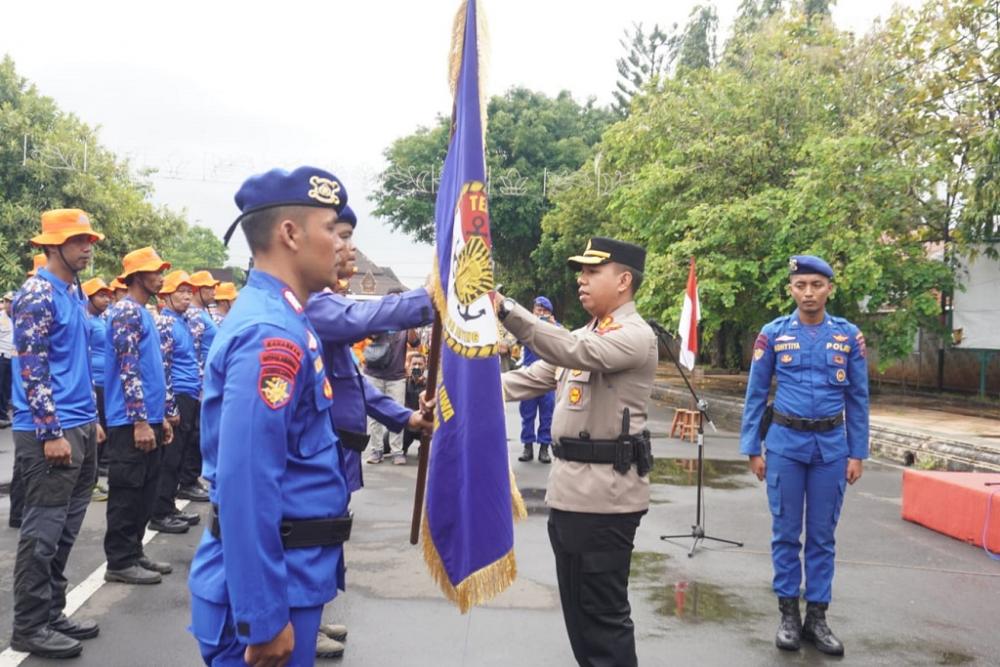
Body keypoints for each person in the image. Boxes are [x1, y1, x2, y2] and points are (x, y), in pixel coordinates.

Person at [188, 165, 353, 667]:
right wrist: (262, 616)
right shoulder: (271, 333)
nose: (342, 244)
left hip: (292, 571)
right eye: (331, 228)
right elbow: (246, 480)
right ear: (289, 234)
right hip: (274, 583)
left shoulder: (285, 316)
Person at [498, 237, 657, 667]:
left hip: (606, 501)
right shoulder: (585, 334)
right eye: (581, 273)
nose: (581, 281)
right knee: (579, 619)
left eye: (592, 272)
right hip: (569, 495)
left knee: (603, 620)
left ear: (624, 280)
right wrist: (461, 398)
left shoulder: (634, 337)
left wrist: (505, 309)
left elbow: (571, 352)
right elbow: (530, 377)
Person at [739, 255, 869, 657]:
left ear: (830, 287)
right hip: (784, 447)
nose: (809, 293)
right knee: (784, 533)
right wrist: (752, 448)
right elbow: (756, 394)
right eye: (801, 285)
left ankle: (817, 616)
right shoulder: (774, 334)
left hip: (831, 448)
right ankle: (788, 615)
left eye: (816, 285)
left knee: (821, 536)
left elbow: (858, 398)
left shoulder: (848, 337)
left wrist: (857, 453)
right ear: (791, 289)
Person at [9, 209, 105, 659]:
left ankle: (51, 612)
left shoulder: (73, 289)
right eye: (78, 240)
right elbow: (33, 366)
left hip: (81, 423)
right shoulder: (36, 293)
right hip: (51, 429)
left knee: (66, 530)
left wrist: (91, 418)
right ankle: (28, 626)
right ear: (52, 246)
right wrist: (51, 430)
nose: (87, 247)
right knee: (43, 531)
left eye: (89, 240)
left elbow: (76, 360)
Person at [103, 247, 175, 585]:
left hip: (151, 418)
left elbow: (155, 369)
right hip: (130, 422)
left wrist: (162, 418)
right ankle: (119, 560)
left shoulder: (144, 312)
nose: (161, 276)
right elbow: (127, 369)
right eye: (154, 271)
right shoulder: (125, 312)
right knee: (127, 491)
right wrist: (141, 421)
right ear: (137, 276)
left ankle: (134, 552)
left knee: (146, 490)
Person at [149, 270, 203, 534]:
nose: (186, 296)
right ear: (166, 296)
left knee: (180, 455)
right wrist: (169, 407)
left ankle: (169, 506)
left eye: (188, 291)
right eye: (180, 291)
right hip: (178, 396)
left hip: (190, 395)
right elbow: (163, 368)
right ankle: (159, 512)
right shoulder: (166, 324)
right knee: (170, 458)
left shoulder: (183, 321)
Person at [361, 287, 421, 465]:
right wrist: (382, 318)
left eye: (398, 300)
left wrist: (409, 322)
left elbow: (415, 342)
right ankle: (376, 450)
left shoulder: (404, 323)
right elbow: (370, 335)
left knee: (398, 414)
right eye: (391, 300)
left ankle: (397, 451)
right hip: (374, 373)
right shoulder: (379, 318)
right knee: (374, 416)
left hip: (396, 376)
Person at [178, 270, 219, 503]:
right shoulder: (194, 315)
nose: (214, 292)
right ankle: (187, 480)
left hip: (204, 381)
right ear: (200, 290)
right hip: (198, 382)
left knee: (196, 432)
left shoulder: (201, 313)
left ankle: (190, 478)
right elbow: (192, 350)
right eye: (209, 288)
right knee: (192, 434)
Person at [515, 296, 559, 464]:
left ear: (550, 313)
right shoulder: (527, 327)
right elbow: (516, 337)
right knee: (527, 414)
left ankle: (544, 448)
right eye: (537, 310)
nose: (540, 313)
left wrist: (552, 325)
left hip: (548, 379)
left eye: (544, 311)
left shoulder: (556, 327)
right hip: (529, 377)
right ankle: (527, 447)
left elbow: (565, 341)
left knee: (547, 415)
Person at [82, 278, 113, 477]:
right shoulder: (86, 321)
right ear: (88, 298)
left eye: (107, 296)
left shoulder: (101, 320)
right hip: (96, 379)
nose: (106, 300)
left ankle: (100, 462)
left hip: (106, 380)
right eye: (101, 296)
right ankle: (97, 464)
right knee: (99, 422)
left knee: (105, 422)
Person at [0, 292, 13, 429]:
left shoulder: (17, 318)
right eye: (7, 301)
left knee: (7, 388)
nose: (8, 304)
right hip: (1, 356)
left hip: (13, 357)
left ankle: (3, 415)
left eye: (11, 302)